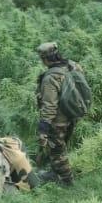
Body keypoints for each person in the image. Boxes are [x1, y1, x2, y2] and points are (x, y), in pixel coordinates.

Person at [34, 42, 84, 186]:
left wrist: (43, 129)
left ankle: (67, 181)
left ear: (44, 59)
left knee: (56, 151)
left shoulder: (50, 78)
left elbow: (49, 106)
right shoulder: (72, 65)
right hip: (72, 115)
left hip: (58, 120)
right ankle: (54, 173)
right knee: (61, 146)